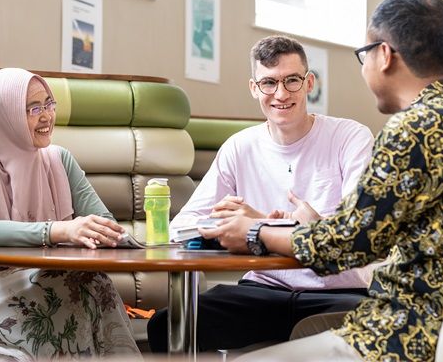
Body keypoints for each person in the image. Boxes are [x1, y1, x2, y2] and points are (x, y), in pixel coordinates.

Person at [204, 0, 443, 362]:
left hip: (404, 338)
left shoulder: (414, 128)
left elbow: (346, 247)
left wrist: (254, 231)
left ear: (384, 55)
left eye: (364, 55)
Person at [147, 35, 376, 352]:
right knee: (166, 326)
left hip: (337, 293)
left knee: (382, 328)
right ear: (254, 88)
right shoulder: (240, 147)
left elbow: (355, 233)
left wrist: (257, 227)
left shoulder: (349, 137)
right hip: (264, 289)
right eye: (269, 83)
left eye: (291, 81)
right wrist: (221, 224)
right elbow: (181, 228)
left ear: (309, 83)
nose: (281, 94)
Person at [0, 68, 142, 361]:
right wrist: (60, 231)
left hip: (40, 279)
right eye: (33, 108)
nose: (46, 116)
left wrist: (105, 233)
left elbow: (103, 221)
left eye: (49, 104)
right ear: (2, 113)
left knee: (96, 284)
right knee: (62, 298)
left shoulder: (58, 159)